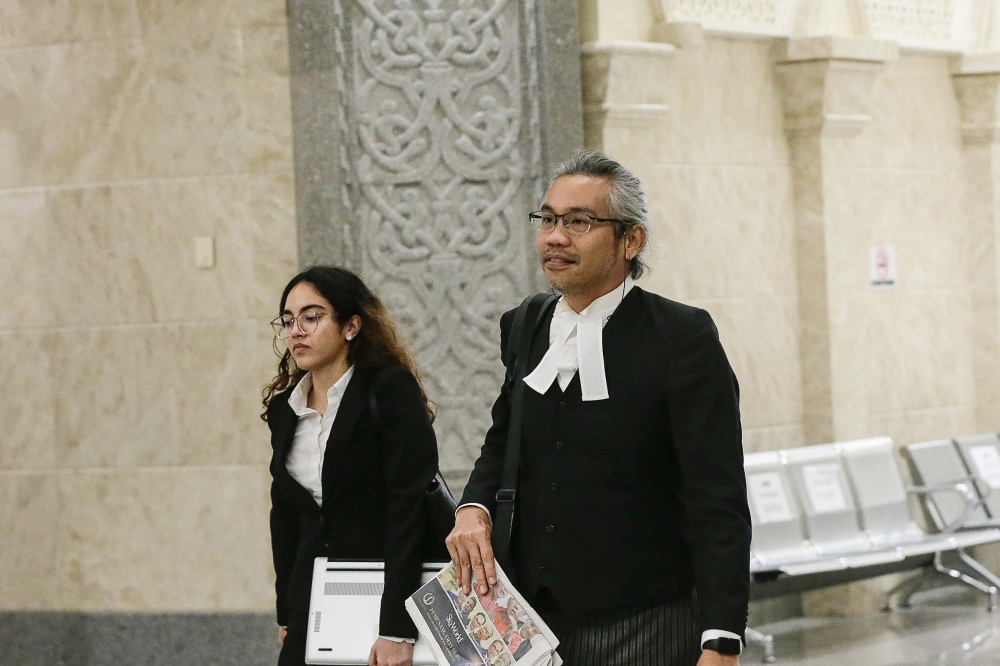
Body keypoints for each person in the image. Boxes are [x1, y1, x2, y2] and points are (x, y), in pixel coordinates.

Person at [446, 152, 752, 666]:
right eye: (548, 220)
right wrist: (473, 507)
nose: (556, 237)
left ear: (631, 240)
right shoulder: (525, 324)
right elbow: (505, 438)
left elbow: (716, 497)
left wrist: (721, 638)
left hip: (645, 618)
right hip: (532, 619)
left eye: (580, 222)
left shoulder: (682, 337)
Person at [263, 266, 440, 666]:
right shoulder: (285, 409)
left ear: (351, 326)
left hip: (384, 599)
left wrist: (396, 627)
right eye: (288, 321)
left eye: (312, 317)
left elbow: (406, 511)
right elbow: (287, 516)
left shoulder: (389, 390)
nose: (296, 331)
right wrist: (287, 611)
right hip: (313, 603)